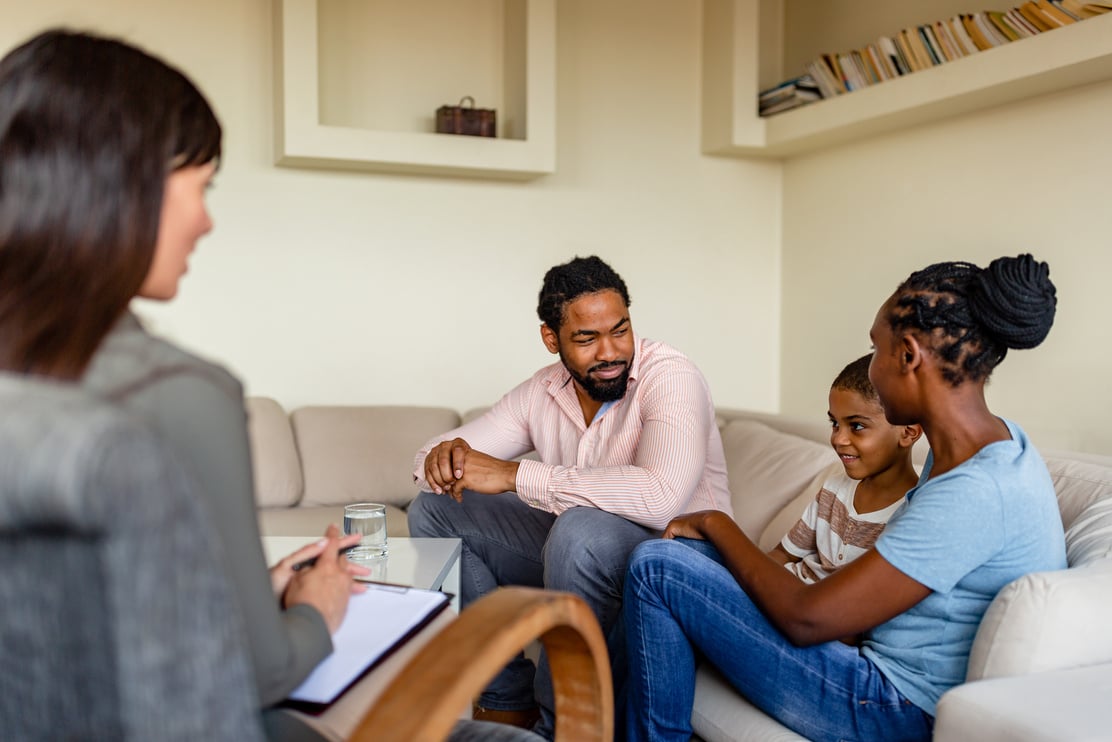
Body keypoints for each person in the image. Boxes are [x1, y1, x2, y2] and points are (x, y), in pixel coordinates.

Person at [1, 29, 538, 742]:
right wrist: (316, 607)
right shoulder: (178, 393)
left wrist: (252, 597)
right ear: (126, 187)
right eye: (201, 186)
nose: (205, 220)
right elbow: (260, 672)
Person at [622, 254, 1068, 742]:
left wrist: (716, 522)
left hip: (892, 705)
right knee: (683, 556)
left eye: (875, 348)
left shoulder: (977, 491)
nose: (870, 368)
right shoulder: (985, 445)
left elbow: (807, 617)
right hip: (874, 672)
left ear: (908, 355)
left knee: (658, 568)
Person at [408, 255, 732, 735]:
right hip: (581, 552)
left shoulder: (670, 376)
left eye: (620, 330)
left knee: (578, 528)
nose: (610, 352)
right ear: (551, 338)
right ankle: (506, 698)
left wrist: (515, 475)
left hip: (680, 558)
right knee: (434, 510)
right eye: (586, 339)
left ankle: (563, 728)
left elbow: (661, 497)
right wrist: (445, 457)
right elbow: (425, 462)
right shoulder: (542, 390)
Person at [768, 353, 921, 585]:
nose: (838, 439)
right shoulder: (833, 489)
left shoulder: (912, 514)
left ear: (908, 432)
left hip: (803, 604)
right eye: (835, 424)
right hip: (777, 590)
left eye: (856, 426)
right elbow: (782, 555)